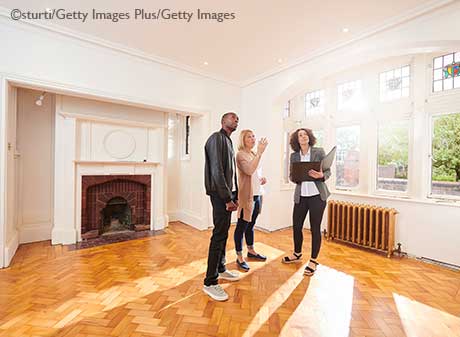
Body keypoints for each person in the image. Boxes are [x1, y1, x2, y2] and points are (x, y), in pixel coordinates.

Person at [282, 128, 331, 276]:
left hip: (317, 196)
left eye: (304, 134)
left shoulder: (319, 152)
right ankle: (297, 253)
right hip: (301, 196)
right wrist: (296, 177)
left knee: (315, 228)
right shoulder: (294, 156)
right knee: (297, 226)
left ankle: (313, 260)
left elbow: (328, 172)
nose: (302, 137)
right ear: (296, 140)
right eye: (299, 136)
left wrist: (321, 175)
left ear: (309, 137)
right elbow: (291, 175)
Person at [203, 112, 240, 301]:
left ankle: (221, 268)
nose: (236, 120)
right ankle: (210, 282)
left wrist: (236, 195)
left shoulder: (228, 141)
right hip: (220, 196)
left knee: (224, 234)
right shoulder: (216, 138)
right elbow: (217, 171)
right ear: (222, 121)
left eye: (237, 119)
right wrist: (227, 198)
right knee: (218, 235)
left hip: (228, 195)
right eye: (232, 117)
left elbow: (231, 172)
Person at [234, 130, 268, 271]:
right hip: (247, 196)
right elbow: (248, 170)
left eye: (254, 136)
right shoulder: (240, 154)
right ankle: (239, 256)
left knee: (251, 225)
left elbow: (254, 173)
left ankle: (251, 250)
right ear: (243, 139)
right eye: (249, 136)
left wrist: (261, 179)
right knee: (242, 226)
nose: (253, 138)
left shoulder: (253, 154)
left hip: (257, 194)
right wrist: (260, 153)